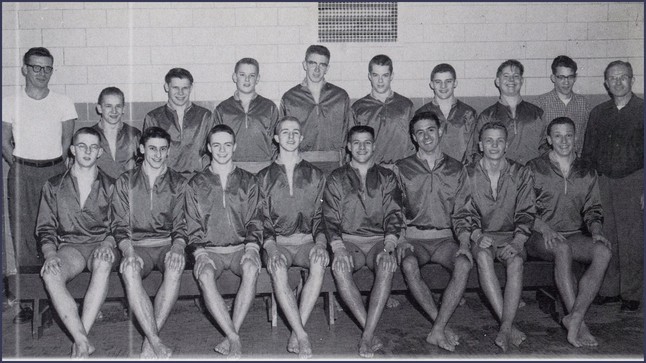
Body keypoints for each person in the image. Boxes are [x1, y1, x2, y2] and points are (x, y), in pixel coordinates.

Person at [2, 47, 77, 323]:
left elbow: (67, 142)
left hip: (55, 171)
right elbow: (4, 142)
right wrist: (24, 166)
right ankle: (28, 302)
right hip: (22, 172)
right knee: (23, 236)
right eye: (36, 67)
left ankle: (54, 298)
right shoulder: (10, 102)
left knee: (55, 232)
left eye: (47, 68)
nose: (42, 73)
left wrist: (53, 168)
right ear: (24, 69)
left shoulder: (63, 102)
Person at [526, 117, 611, 347]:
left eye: (569, 135)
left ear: (576, 138)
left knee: (603, 251)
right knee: (561, 248)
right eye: (558, 135)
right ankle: (580, 326)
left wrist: (596, 231)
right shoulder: (534, 167)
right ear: (549, 139)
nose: (564, 141)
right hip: (538, 235)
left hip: (573, 234)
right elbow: (522, 210)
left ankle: (574, 316)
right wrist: (545, 228)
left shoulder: (586, 170)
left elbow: (593, 209)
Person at [392, 112, 472, 352]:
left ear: (440, 131)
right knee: (408, 265)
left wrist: (465, 244)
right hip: (414, 238)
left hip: (445, 238)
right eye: (420, 132)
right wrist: (402, 239)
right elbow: (394, 209)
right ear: (413, 137)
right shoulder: (402, 168)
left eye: (430, 130)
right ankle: (440, 325)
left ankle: (437, 329)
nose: (426, 135)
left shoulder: (457, 168)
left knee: (464, 263)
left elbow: (463, 213)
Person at [453, 122, 536, 351]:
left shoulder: (520, 172)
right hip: (482, 236)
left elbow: (527, 211)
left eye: (499, 140)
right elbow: (462, 213)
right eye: (489, 140)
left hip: (512, 235)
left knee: (516, 260)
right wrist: (477, 235)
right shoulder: (468, 172)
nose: (494, 145)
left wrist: (518, 241)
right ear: (480, 144)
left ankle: (505, 327)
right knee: (482, 257)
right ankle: (507, 326)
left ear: (506, 145)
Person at [323, 125, 404, 358]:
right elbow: (330, 216)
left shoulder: (387, 177)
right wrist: (338, 249)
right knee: (340, 268)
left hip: (379, 239)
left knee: (387, 265)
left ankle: (366, 336)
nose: (361, 147)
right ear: (348, 146)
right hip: (350, 240)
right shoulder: (337, 177)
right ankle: (369, 332)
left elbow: (394, 213)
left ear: (374, 145)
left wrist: (389, 247)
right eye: (356, 143)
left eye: (367, 142)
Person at [35, 128, 117, 358]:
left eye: (93, 147)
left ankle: (80, 341)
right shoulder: (53, 185)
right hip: (70, 247)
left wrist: (109, 243)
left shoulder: (111, 185)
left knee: (103, 262)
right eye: (82, 145)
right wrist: (50, 255)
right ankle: (82, 341)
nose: (87, 151)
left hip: (101, 243)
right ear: (72, 149)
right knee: (51, 273)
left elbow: (120, 225)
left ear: (100, 151)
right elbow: (45, 228)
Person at [184, 125, 262, 359]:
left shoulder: (249, 180)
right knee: (205, 274)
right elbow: (191, 224)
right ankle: (235, 338)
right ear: (209, 147)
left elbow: (256, 219)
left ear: (235, 147)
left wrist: (251, 248)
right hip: (210, 250)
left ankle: (231, 335)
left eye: (227, 144)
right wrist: (200, 254)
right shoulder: (196, 183)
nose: (222, 150)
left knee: (251, 267)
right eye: (216, 145)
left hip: (240, 248)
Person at [111, 127, 187, 358]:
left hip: (166, 243)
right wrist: (127, 251)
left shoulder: (179, 182)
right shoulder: (126, 181)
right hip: (137, 245)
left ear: (168, 151)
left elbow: (183, 224)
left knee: (175, 266)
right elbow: (118, 224)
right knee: (130, 269)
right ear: (142, 149)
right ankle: (154, 340)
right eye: (152, 149)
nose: (157, 154)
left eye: (163, 149)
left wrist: (177, 247)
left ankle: (148, 342)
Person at [257, 116, 328, 358]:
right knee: (276, 267)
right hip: (279, 243)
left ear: (301, 137)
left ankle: (295, 333)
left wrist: (319, 243)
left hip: (307, 240)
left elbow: (321, 215)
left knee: (319, 261)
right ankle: (303, 335)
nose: (290, 136)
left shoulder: (316, 174)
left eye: (295, 132)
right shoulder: (264, 177)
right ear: (276, 138)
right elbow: (261, 219)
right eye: (284, 132)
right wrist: (272, 248)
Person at [582, 60, 643, 312]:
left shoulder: (643, 110)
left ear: (632, 80)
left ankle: (631, 293)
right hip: (602, 181)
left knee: (632, 239)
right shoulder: (598, 113)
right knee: (606, 237)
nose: (618, 82)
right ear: (605, 83)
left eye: (623, 77)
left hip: (634, 180)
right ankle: (607, 290)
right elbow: (588, 153)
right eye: (613, 78)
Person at [470, 59, 545, 165]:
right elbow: (477, 152)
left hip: (532, 174)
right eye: (506, 76)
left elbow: (545, 148)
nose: (511, 80)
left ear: (522, 80)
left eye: (515, 76)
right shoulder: (486, 116)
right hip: (501, 177)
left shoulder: (537, 113)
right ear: (497, 81)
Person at [280, 45, 352, 153]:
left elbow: (349, 132)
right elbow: (282, 135)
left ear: (327, 68)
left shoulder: (340, 97)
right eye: (312, 63)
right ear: (305, 65)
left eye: (322, 65)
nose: (317, 69)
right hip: (301, 162)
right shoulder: (290, 98)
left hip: (334, 162)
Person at [143, 68, 213, 177]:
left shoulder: (205, 116)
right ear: (167, 87)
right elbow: (148, 155)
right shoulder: (153, 117)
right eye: (175, 87)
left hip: (199, 181)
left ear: (191, 88)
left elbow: (212, 152)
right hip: (165, 182)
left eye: (185, 88)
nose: (180, 93)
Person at [351, 54, 415, 165]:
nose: (380, 81)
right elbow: (353, 145)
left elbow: (414, 142)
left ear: (391, 76)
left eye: (385, 75)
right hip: (371, 170)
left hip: (401, 169)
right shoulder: (358, 108)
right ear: (369, 76)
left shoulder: (406, 105)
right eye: (376, 75)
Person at [214, 58, 279, 162]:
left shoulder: (269, 107)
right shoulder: (222, 109)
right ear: (235, 77)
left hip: (263, 167)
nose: (247, 79)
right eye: (242, 75)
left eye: (252, 75)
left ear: (257, 79)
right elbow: (216, 142)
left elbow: (276, 143)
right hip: (233, 168)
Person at [415, 63, 478, 163]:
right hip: (432, 172)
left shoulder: (468, 113)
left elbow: (473, 150)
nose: (443, 86)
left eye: (448, 81)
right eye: (438, 82)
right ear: (431, 84)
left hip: (461, 172)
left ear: (455, 83)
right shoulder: (421, 113)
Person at [536, 56, 591, 155]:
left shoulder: (584, 104)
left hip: (577, 162)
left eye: (570, 77)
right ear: (553, 78)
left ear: (575, 77)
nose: (566, 82)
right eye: (561, 77)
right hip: (549, 163)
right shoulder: (540, 104)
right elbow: (536, 141)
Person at [91, 87, 141, 179]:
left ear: (123, 109)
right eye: (108, 106)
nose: (114, 111)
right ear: (99, 108)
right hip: (98, 191)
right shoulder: (88, 136)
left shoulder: (134, 135)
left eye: (118, 106)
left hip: (128, 190)